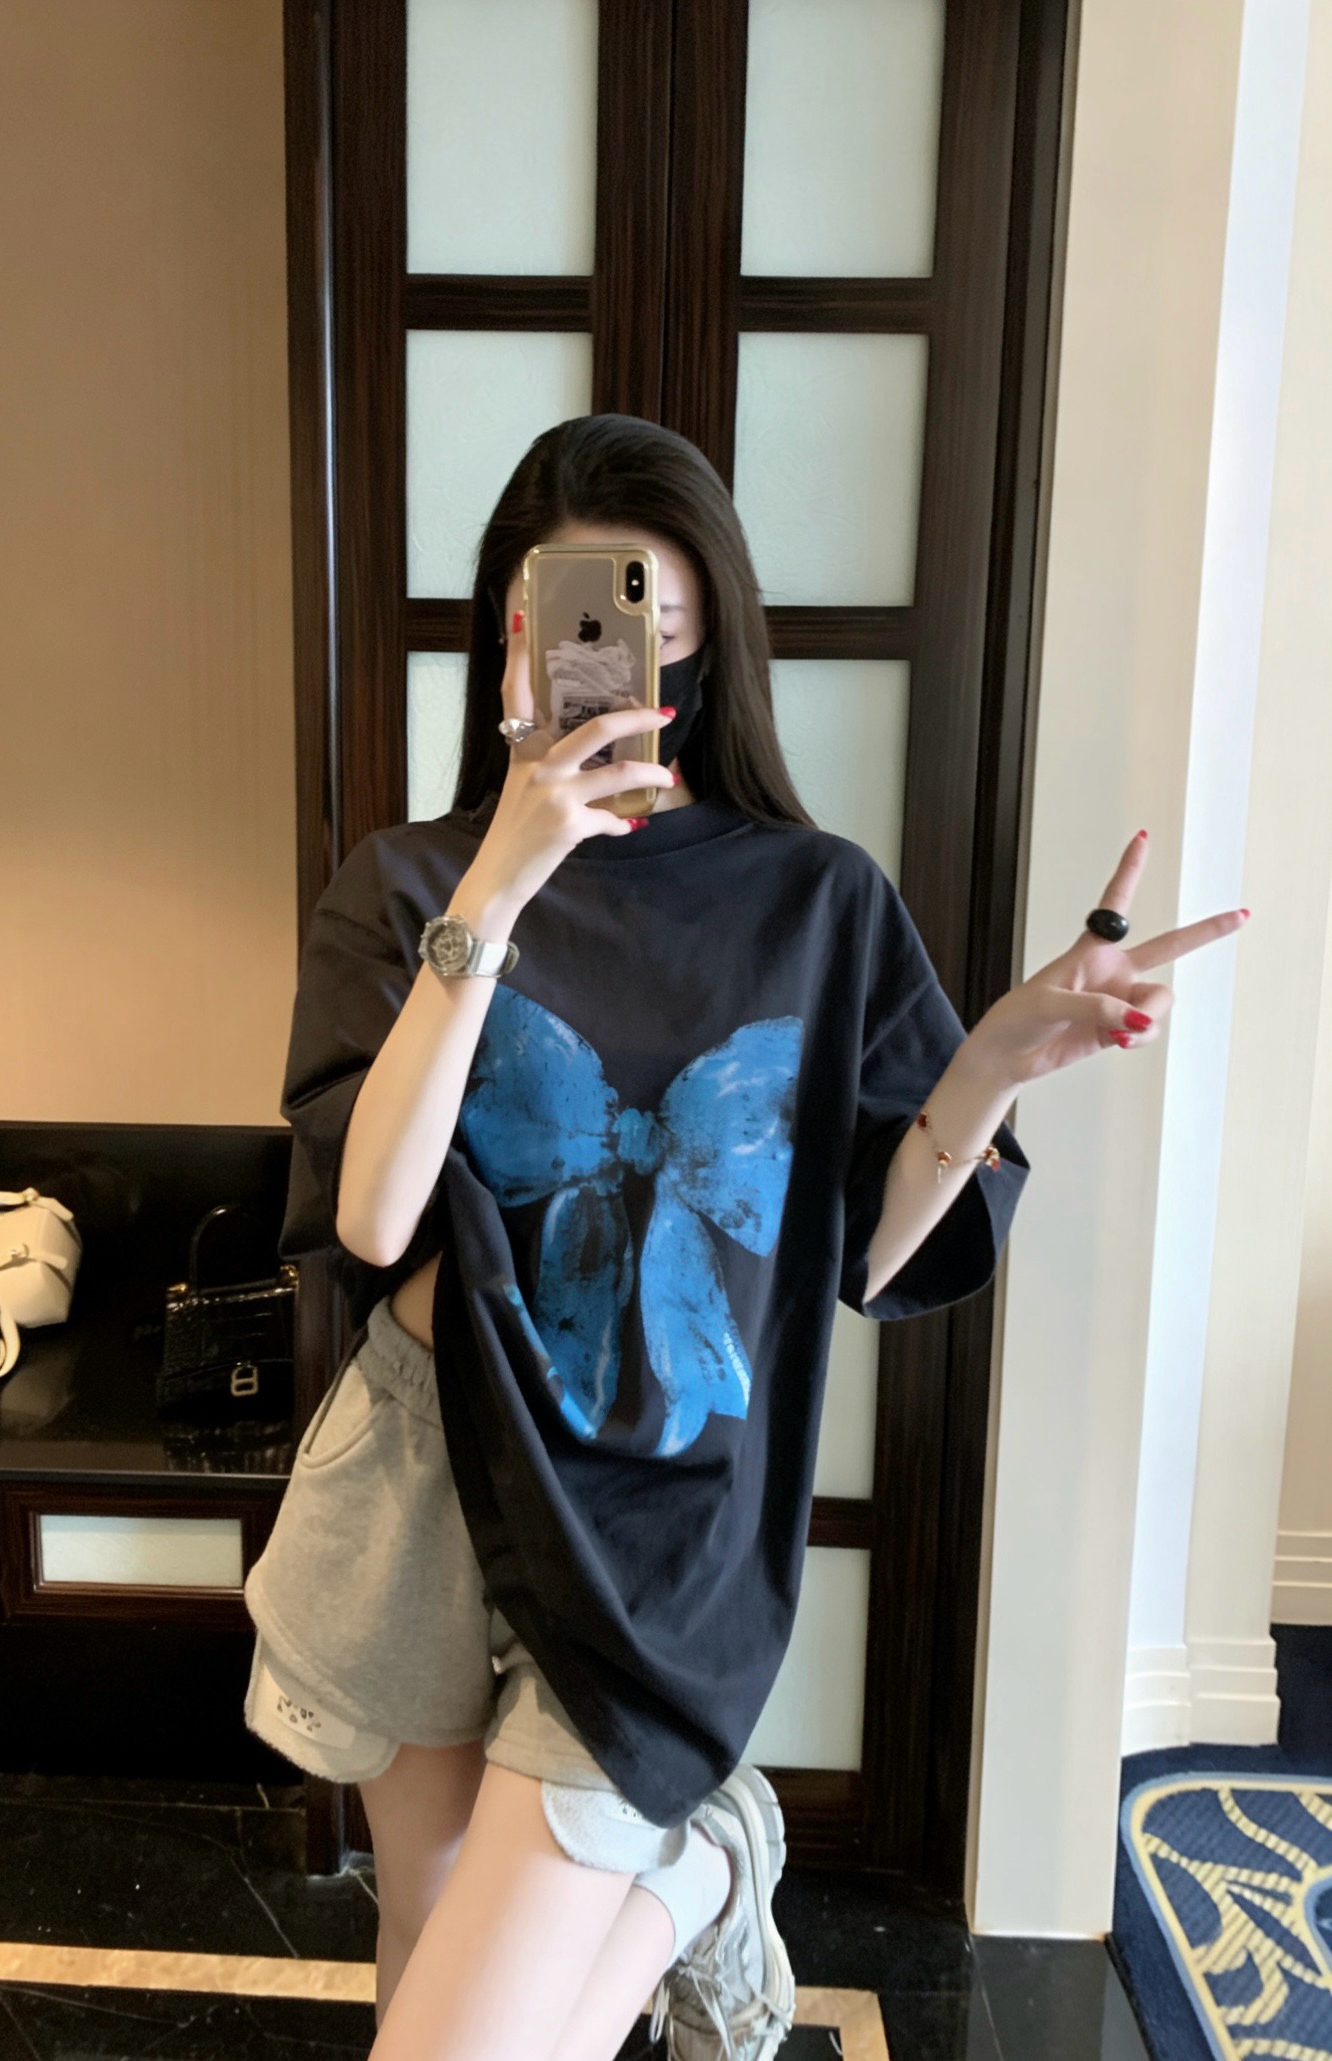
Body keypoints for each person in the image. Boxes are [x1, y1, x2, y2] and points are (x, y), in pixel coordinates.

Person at [241, 414, 1246, 2060]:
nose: (605, 659)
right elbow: (371, 1214)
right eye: (566, 612)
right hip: (424, 1475)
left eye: (650, 620)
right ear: (508, 629)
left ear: (703, 643)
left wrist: (989, 1067)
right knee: (425, 1951)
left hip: (652, 1530)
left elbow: (862, 1252)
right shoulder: (411, 885)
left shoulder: (815, 898)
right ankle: (701, 1880)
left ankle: (697, 1870)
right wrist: (499, 883)